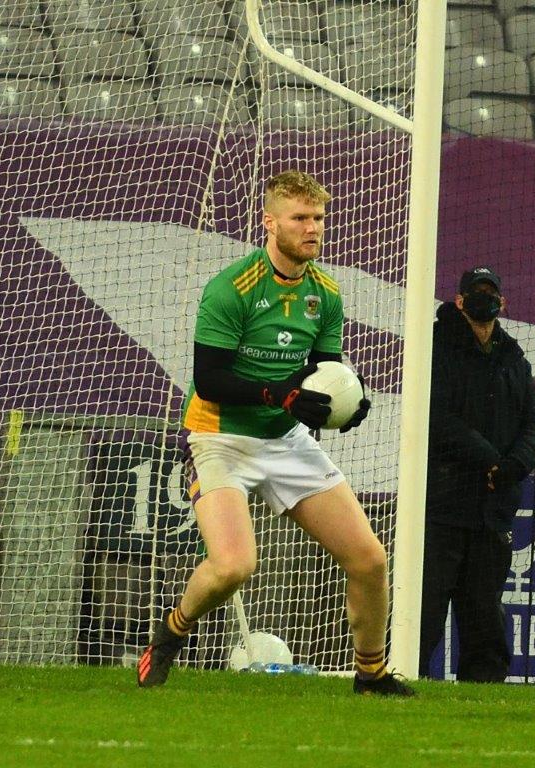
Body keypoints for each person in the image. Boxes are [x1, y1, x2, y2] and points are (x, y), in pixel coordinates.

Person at [137, 170, 412, 696]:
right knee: (234, 567)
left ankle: (371, 673)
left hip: (285, 440)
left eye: (318, 219)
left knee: (370, 560)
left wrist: (342, 405)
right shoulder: (232, 287)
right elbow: (211, 380)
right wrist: (279, 395)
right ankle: (170, 636)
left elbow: (325, 372)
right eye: (300, 219)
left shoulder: (326, 293)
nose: (313, 228)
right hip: (219, 437)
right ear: (270, 223)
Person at [418, 266, 535, 682]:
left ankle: (484, 689)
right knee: (426, 608)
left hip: (493, 508)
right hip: (443, 502)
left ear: (502, 303)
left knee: (485, 611)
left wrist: (512, 467)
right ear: (459, 300)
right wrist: (489, 459)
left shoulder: (514, 356)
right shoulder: (434, 347)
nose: (485, 299)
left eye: (492, 293)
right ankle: (404, 676)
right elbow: (435, 417)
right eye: (477, 292)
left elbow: (532, 426)